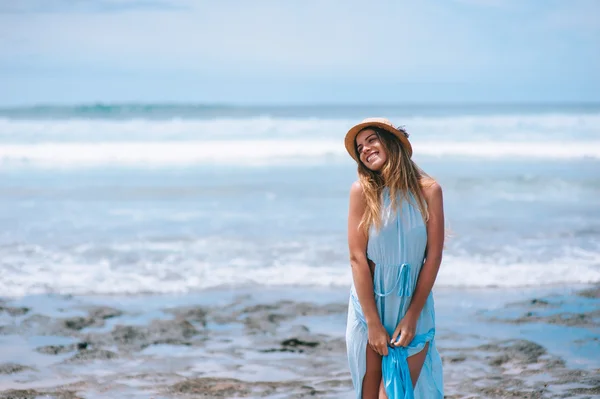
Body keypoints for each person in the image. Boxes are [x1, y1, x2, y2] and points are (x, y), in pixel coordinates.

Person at [344, 118, 444, 398]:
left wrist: (412, 315)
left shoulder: (429, 191)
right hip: (369, 307)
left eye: (371, 140)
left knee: (395, 393)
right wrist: (373, 322)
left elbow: (433, 257)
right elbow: (356, 258)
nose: (365, 149)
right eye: (360, 147)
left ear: (392, 142)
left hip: (413, 306)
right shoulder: (362, 192)